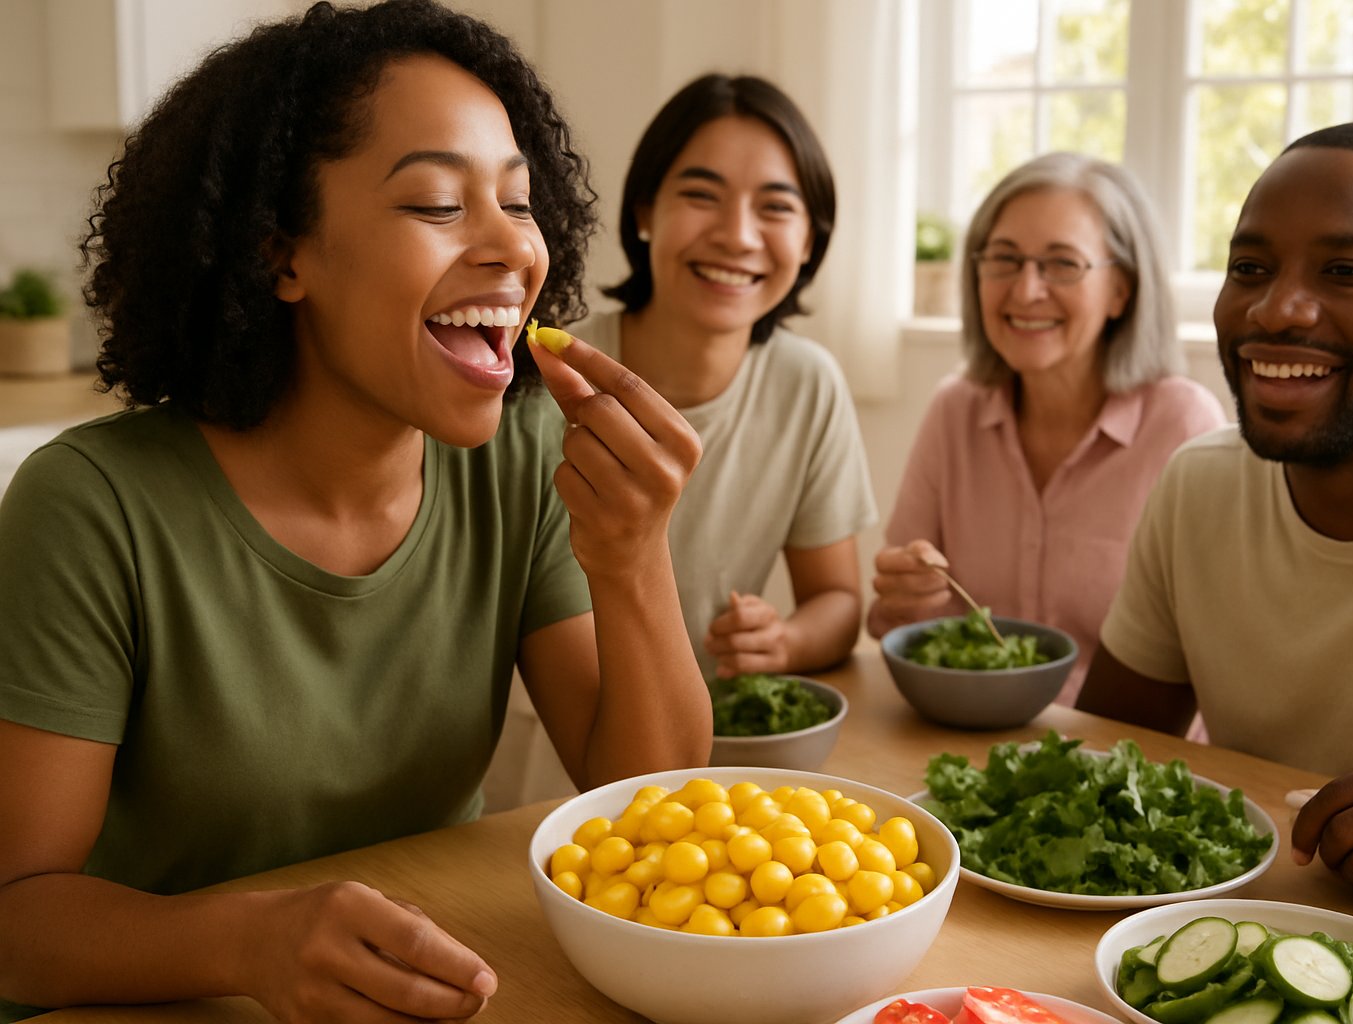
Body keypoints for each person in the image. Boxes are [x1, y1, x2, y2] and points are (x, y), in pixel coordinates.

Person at [0, 2, 711, 1020]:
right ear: (280, 254)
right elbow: (15, 925)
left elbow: (658, 818)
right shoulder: (92, 508)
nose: (513, 249)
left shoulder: (521, 460)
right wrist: (252, 941)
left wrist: (636, 558)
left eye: (518, 201)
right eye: (434, 203)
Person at [1077, 122, 1353, 905]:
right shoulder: (1199, 485)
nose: (1277, 309)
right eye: (1249, 268)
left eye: (1347, 271)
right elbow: (1111, 753)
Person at [866, 153, 1226, 706]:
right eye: (1004, 260)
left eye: (1062, 265)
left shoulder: (1185, 424)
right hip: (966, 740)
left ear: (1121, 292)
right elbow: (892, 625)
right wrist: (900, 599)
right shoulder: (953, 409)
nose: (1026, 290)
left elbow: (1215, 660)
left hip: (1127, 757)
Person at [568, 74, 877, 681]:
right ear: (645, 211)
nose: (737, 235)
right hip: (553, 758)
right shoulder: (557, 371)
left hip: (720, 761)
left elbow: (837, 603)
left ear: (810, 240)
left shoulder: (807, 384)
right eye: (702, 195)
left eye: (776, 208)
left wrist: (784, 641)